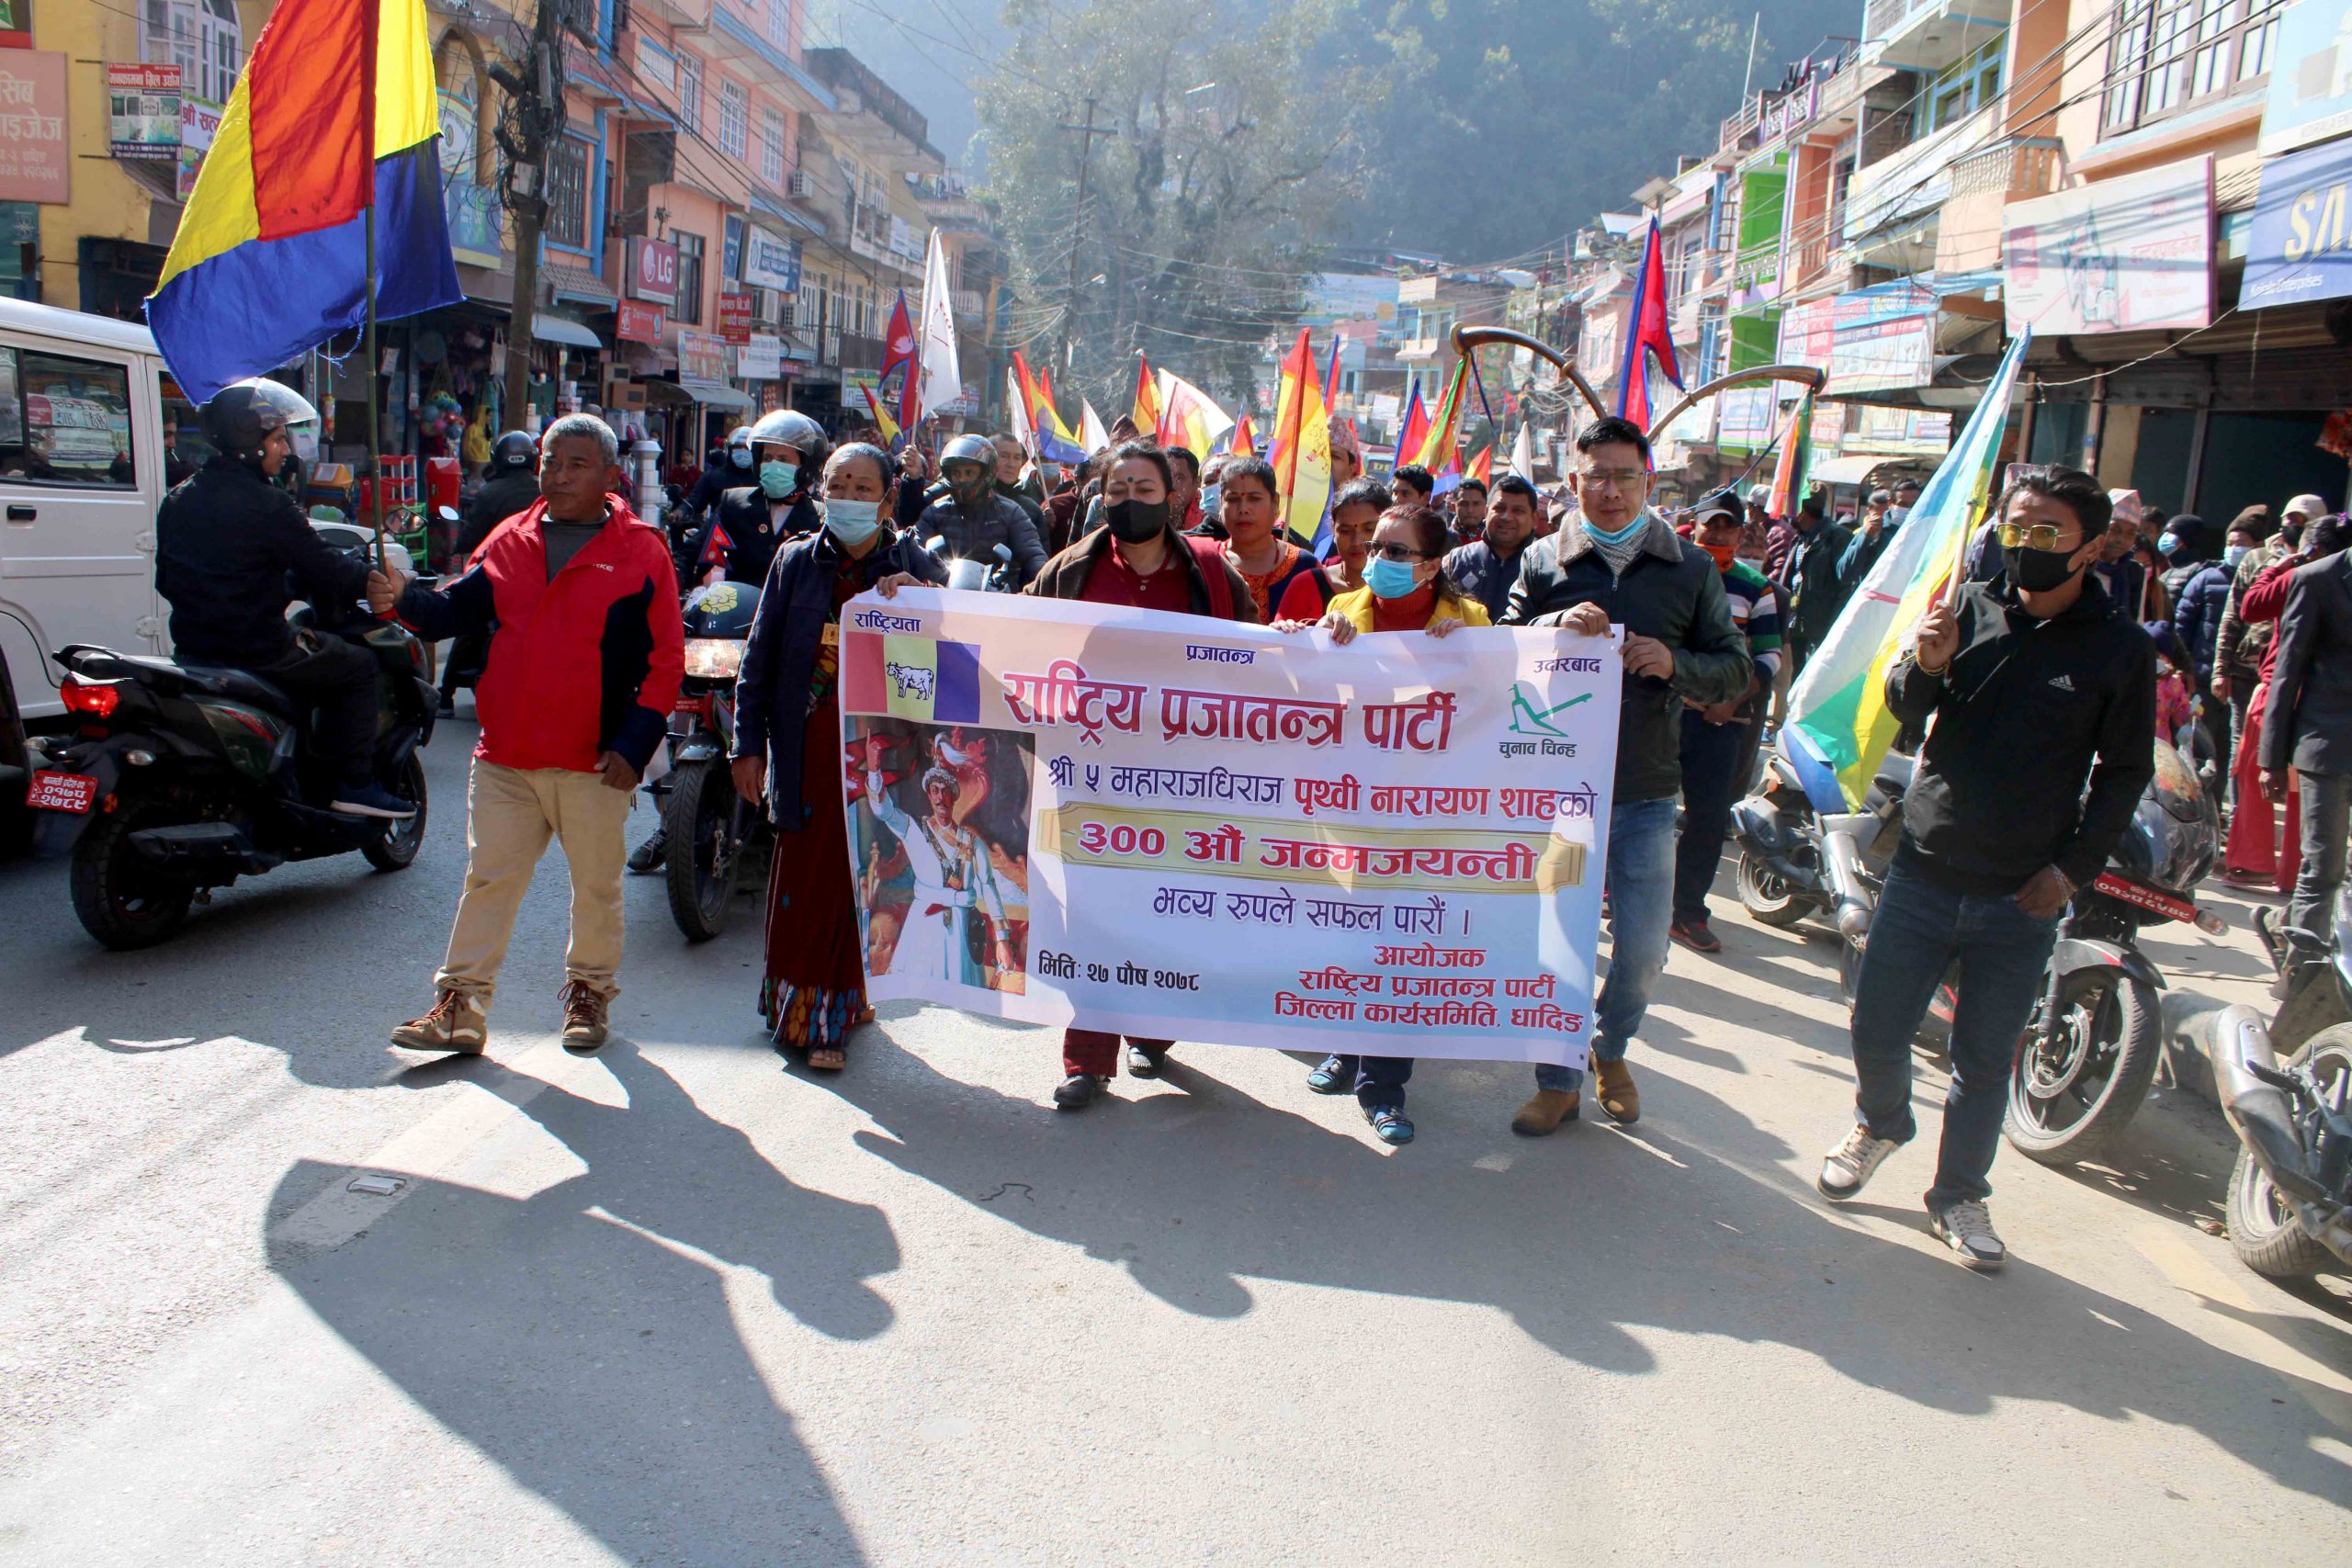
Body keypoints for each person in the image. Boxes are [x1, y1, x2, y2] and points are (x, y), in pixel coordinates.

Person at [1817, 466, 2153, 1270]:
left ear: (2091, 545)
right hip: (1926, 869)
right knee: (1875, 1025)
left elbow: (2123, 774)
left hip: (2023, 893)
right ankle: (1881, 1122)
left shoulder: (2120, 649)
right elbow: (1902, 705)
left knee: (1983, 1060)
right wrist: (1927, 663)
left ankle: (1959, 1193)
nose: (2024, 546)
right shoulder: (1967, 604)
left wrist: (2071, 871)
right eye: (2015, 529)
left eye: (2046, 534)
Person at [377, 413, 684, 1055]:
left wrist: (634, 746)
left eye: (576, 463)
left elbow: (665, 661)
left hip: (595, 761)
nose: (559, 473)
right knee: (488, 881)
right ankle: (460, 1006)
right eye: (551, 461)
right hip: (508, 755)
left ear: (609, 474)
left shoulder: (641, 549)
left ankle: (589, 995)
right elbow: (449, 614)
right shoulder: (509, 539)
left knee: (596, 888)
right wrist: (401, 597)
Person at [1499, 416, 1751, 1135]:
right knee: (1560, 945)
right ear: (1573, 483)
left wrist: (1676, 666)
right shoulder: (1545, 560)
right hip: (1557, 792)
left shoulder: (1692, 567)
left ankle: (1609, 1049)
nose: (1610, 491)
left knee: (1643, 951)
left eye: (1625, 476)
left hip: (1644, 791)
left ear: (1649, 481)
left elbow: (1733, 668)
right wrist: (1549, 632)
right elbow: (1496, 650)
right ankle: (1557, 1079)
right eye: (1595, 477)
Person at [1022, 441, 1255, 1109]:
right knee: (1090, 913)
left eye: (1144, 488)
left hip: (1185, 779)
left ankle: (1154, 1029)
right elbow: (1010, 634)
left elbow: (1257, 655)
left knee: (1169, 908)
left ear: (1174, 499)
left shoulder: (1210, 572)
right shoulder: (1069, 570)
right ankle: (1086, 1059)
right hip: (1090, 775)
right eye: (1117, 487)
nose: (1129, 499)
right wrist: (922, 601)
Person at [727, 443, 947, 1069]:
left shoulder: (914, 563)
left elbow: (958, 658)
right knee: (804, 879)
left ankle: (833, 1019)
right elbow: (758, 660)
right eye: (837, 484)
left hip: (881, 758)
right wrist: (747, 746)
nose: (848, 497)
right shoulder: (795, 562)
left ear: (887, 498)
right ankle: (793, 1004)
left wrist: (924, 603)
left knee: (861, 880)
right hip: (805, 752)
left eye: (862, 486)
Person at [1280, 503, 1489, 1145]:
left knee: (1401, 955)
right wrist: (1295, 639)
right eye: (1375, 547)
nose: (1378, 561)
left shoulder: (1472, 622)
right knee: (1353, 946)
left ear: (1432, 564)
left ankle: (1384, 1087)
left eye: (1396, 552)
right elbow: (1304, 699)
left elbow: (1501, 704)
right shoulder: (1345, 613)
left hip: (1428, 823)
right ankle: (1346, 1049)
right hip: (1352, 819)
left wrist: (1474, 658)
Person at [155, 378, 413, 820]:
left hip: (193, 648)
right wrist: (372, 577)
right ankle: (354, 785)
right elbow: (324, 566)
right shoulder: (268, 505)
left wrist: (277, 585)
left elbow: (173, 578)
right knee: (357, 667)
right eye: (276, 440)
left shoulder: (177, 499)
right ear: (250, 443)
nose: (285, 450)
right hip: (258, 649)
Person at [1671, 490, 1784, 954]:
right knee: (1644, 811)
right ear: (1694, 526)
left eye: (1727, 527)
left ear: (1741, 533)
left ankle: (1687, 913)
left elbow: (1770, 655)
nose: (1717, 534)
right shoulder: (1667, 574)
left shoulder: (1757, 588)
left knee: (1708, 818)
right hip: (1662, 716)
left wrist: (1732, 698)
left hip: (1720, 721)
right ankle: (1622, 895)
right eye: (1710, 525)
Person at [2226, 517, 2344, 887]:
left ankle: (2253, 862)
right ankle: (2294, 873)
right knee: (2308, 795)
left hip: (2279, 692)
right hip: (2324, 709)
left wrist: (2282, 563)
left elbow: (2252, 606)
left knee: (2256, 778)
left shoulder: (2304, 577)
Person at [2260, 514, 2352, 962]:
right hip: (2327, 745)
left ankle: (2283, 926)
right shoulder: (2319, 579)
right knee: (2324, 867)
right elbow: (2287, 670)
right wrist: (2271, 758)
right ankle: (2300, 979)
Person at [2215, 499, 2316, 793]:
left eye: (2302, 522)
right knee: (2244, 749)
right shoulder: (2258, 559)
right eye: (2290, 519)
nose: (2293, 527)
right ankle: (2240, 819)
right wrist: (2220, 669)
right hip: (2247, 670)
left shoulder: (2323, 569)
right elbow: (2234, 614)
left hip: (2296, 677)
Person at [678, 409, 825, 588]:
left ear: (804, 466)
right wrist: (677, 577)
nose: (773, 464)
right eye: (768, 458)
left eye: (783, 459)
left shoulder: (820, 517)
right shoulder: (734, 503)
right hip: (737, 611)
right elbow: (694, 550)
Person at [2177, 511, 2266, 782]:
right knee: (2198, 751)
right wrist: (2184, 669)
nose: (2234, 549)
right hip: (2204, 680)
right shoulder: (2205, 579)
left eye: (2242, 543)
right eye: (2231, 543)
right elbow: (2181, 627)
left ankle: (2220, 813)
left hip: (2243, 683)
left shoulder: (2263, 581)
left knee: (2233, 754)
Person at [918, 432, 1047, 587]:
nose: (961, 479)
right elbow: (914, 550)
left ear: (987, 473)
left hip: (1000, 601)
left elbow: (1033, 555)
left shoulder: (1011, 512)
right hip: (945, 598)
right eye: (956, 473)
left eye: (969, 473)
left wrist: (1043, 581)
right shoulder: (935, 511)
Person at [1218, 456, 1322, 621]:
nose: (1243, 509)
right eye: (1233, 499)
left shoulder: (1305, 566)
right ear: (1220, 503)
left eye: (1254, 498)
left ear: (1275, 502)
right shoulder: (1207, 563)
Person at [1275, 477, 1387, 621]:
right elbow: (1280, 642)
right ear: (1333, 531)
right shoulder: (1306, 585)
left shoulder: (1402, 588)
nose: (1357, 541)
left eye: (1369, 529)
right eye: (1346, 531)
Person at [1442, 473, 1540, 622]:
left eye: (1518, 510)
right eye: (1499, 508)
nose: (1506, 517)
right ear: (1487, 512)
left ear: (1534, 518)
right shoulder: (1455, 561)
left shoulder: (1544, 565)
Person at [1779, 488, 1853, 671]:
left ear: (1802, 512)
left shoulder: (1838, 537)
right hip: (1795, 627)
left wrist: (1835, 625)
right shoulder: (1799, 539)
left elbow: (1846, 585)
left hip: (1821, 629)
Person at [457, 430, 541, 562]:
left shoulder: (488, 493)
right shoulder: (546, 490)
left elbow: (469, 540)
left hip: (500, 568)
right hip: (541, 567)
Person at [679, 428, 751, 523]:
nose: (742, 452)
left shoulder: (764, 478)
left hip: (757, 533)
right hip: (720, 531)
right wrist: (681, 511)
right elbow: (695, 500)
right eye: (738, 447)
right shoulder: (714, 477)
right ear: (729, 449)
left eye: (747, 448)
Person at [991, 432, 1050, 542]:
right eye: (1004, 456)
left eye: (1017, 458)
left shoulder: (1031, 508)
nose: (1011, 464)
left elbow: (1042, 554)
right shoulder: (970, 501)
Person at [1165, 444, 1205, 533]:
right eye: (1166, 476)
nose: (1171, 485)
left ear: (1196, 483)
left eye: (1179, 478)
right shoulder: (1148, 515)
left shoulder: (1210, 518)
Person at [1452, 475, 1488, 542]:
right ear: (1454, 507)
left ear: (1486, 507)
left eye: (1476, 504)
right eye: (1464, 504)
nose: (1470, 510)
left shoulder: (1496, 539)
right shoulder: (1443, 539)